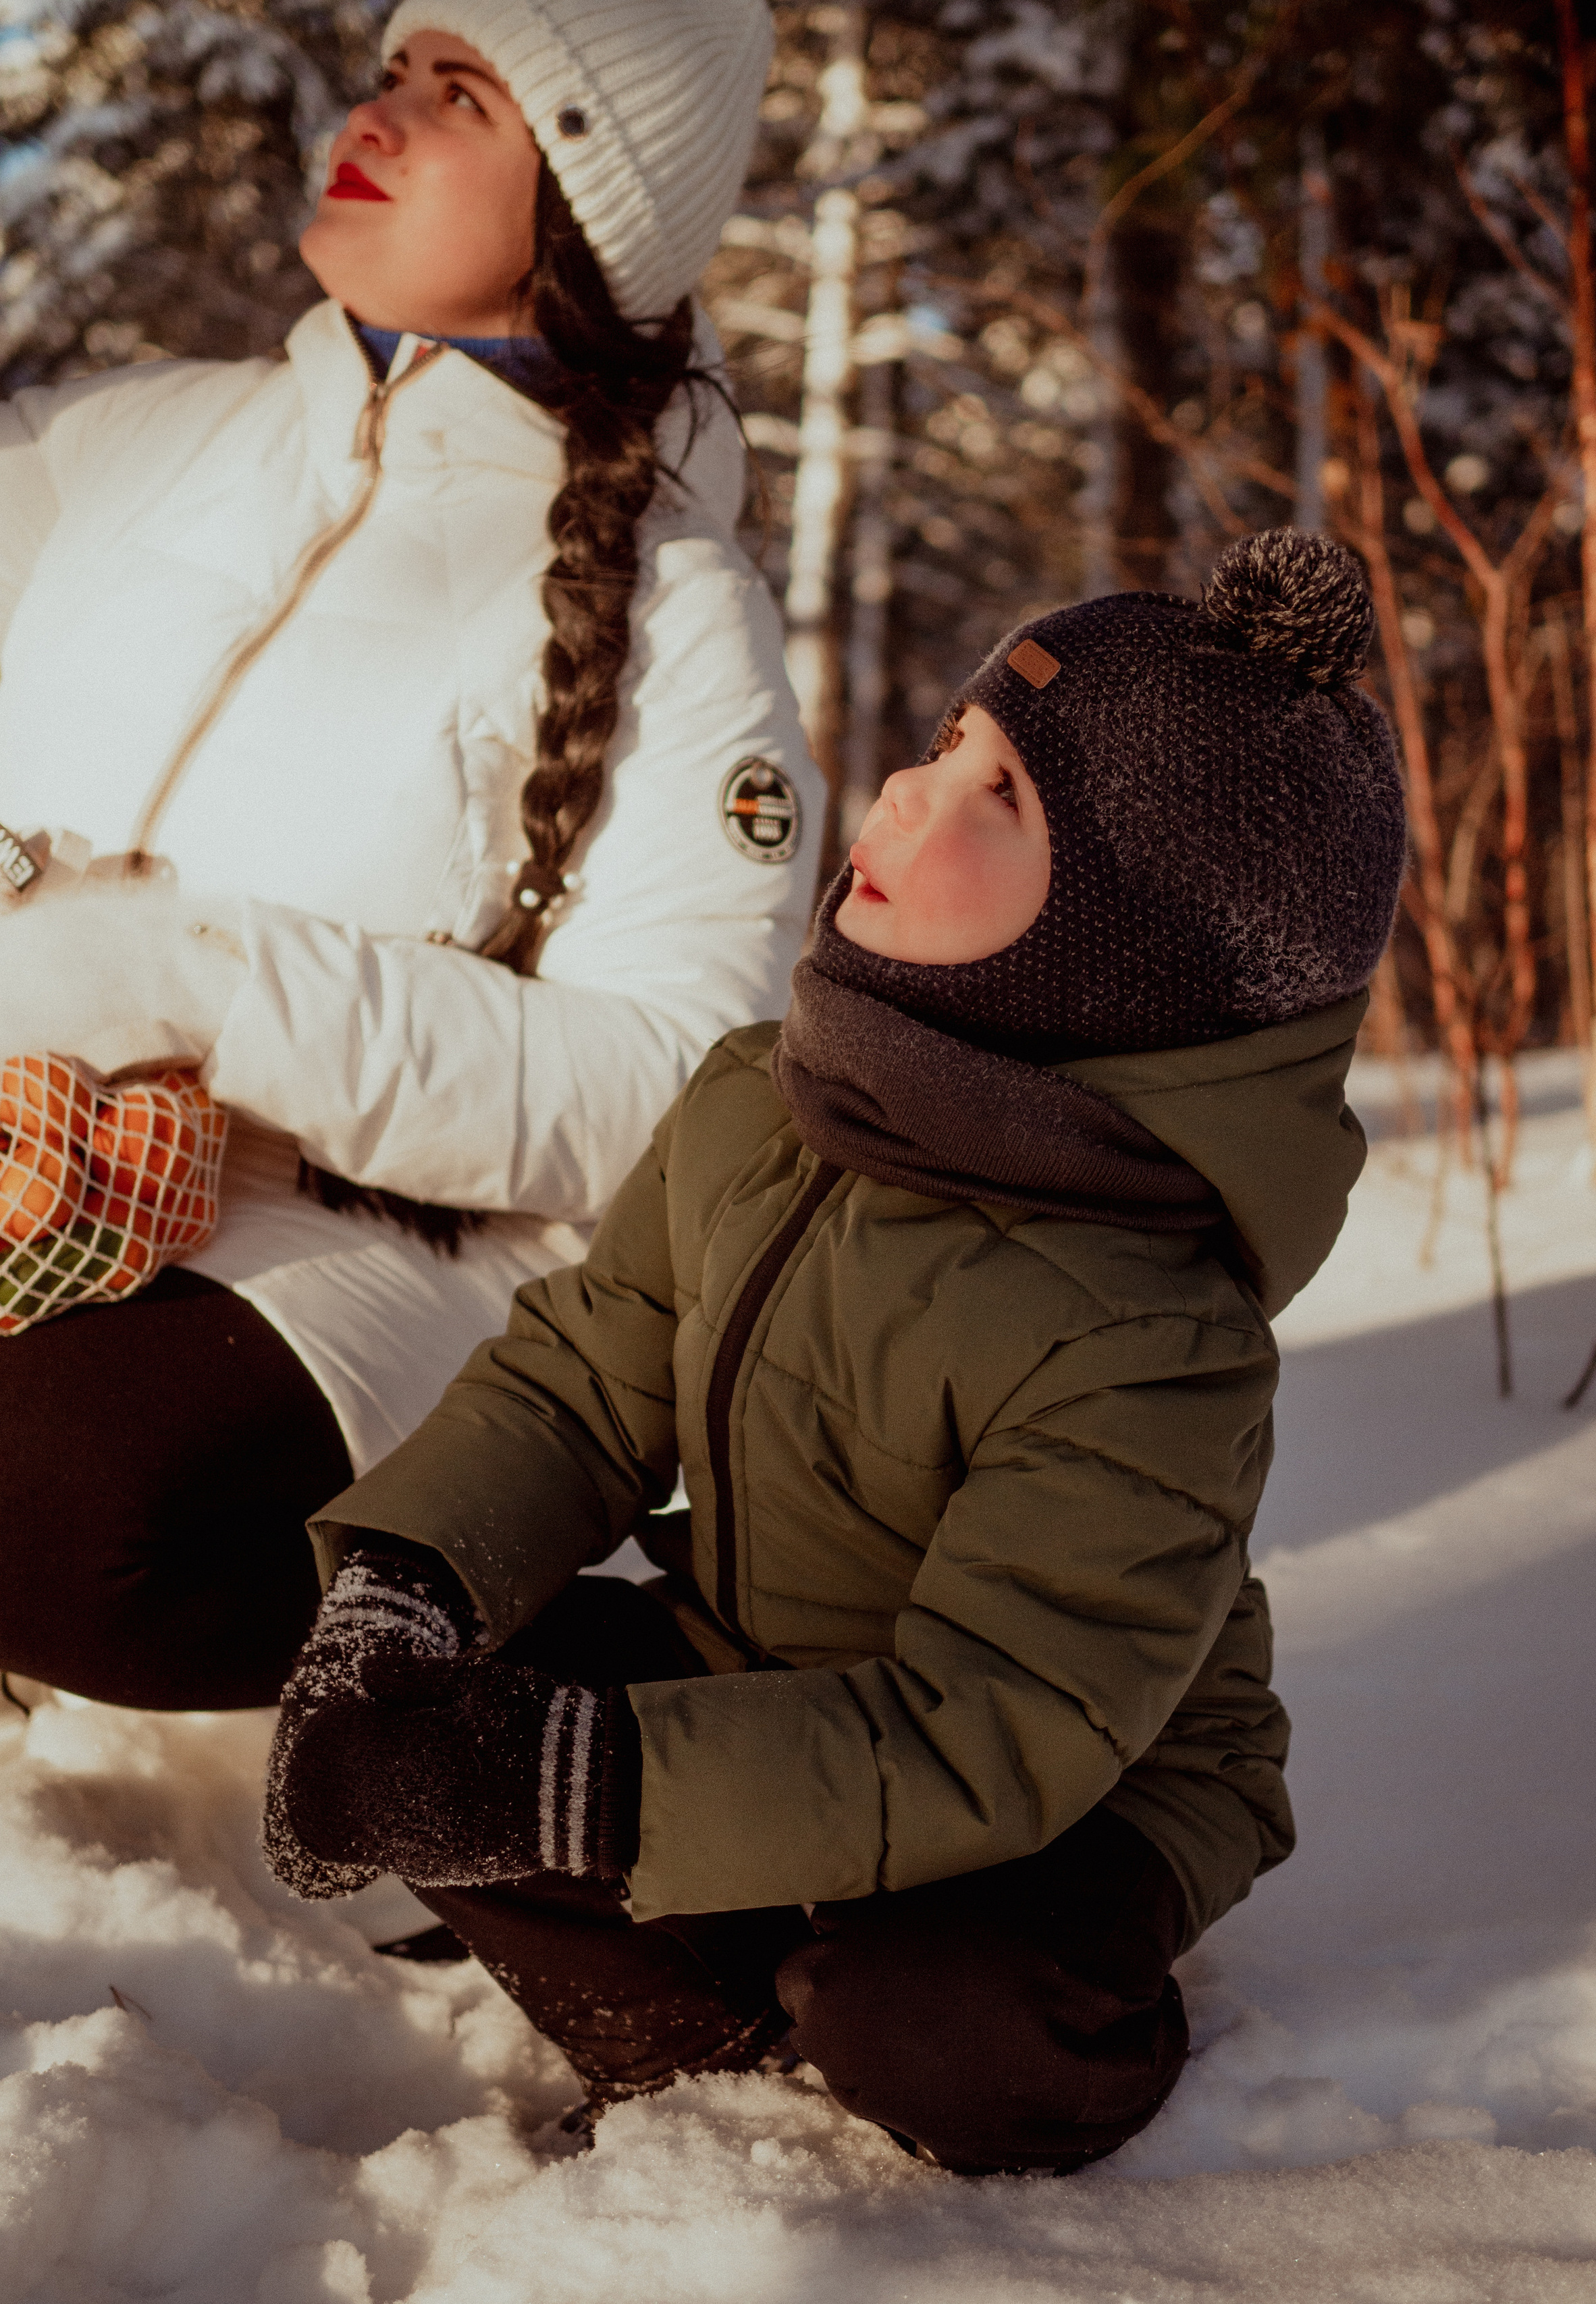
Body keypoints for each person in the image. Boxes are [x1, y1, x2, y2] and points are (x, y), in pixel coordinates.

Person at [261, 529, 1409, 2175]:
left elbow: (992, 1726)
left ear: (1125, 945)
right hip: (765, 1672)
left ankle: (981, 2022)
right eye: (948, 740)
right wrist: (404, 1589)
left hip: (1063, 1792)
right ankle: (707, 2048)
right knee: (435, 1719)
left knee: (939, 2024)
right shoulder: (763, 1096)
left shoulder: (1146, 1329)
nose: (903, 793)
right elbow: (584, 1382)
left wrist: (584, 1788)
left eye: (1000, 798)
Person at [0, 0, 824, 1713]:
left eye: (460, 97)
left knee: (58, 1514)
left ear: (588, 205)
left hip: (373, 1256)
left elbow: (675, 1092)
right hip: (37, 1168)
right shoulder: (128, 440)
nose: (374, 117)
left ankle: (540, 1680)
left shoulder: (681, 615)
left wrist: (185, 978)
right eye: (392, 73)